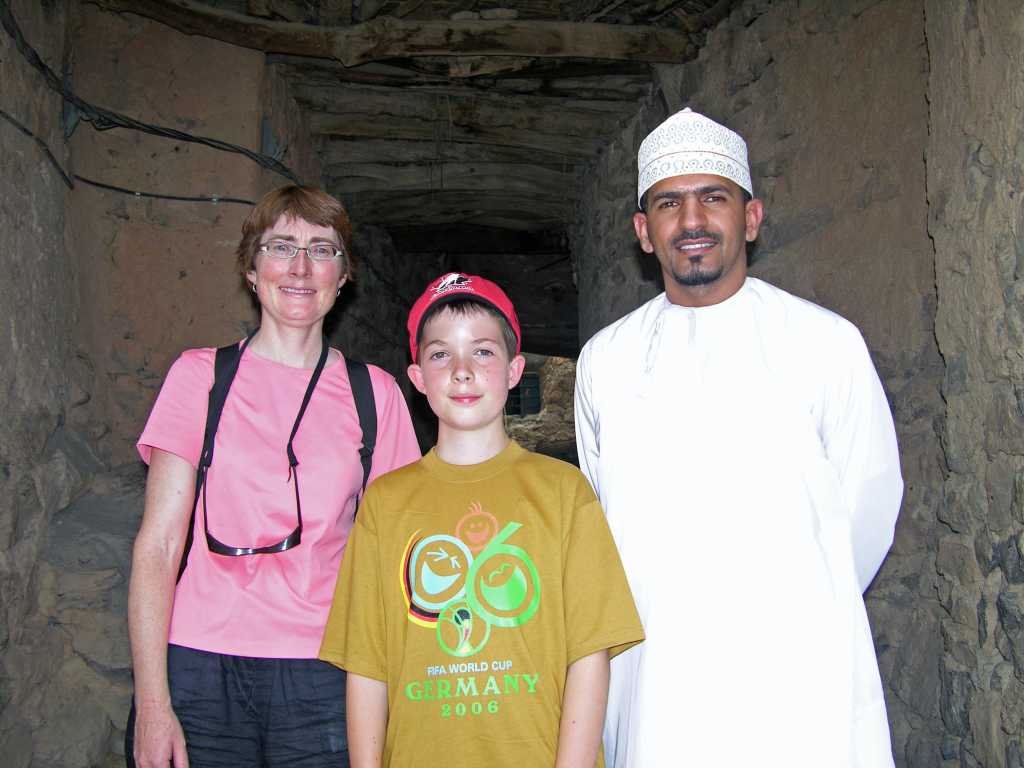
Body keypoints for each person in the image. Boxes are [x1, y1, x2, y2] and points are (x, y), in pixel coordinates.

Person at [574, 108, 904, 767]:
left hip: (798, 676)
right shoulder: (605, 361)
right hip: (657, 678)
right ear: (644, 231)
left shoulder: (826, 345)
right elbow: (600, 516)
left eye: (713, 198)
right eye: (669, 203)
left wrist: (799, 598)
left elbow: (868, 506)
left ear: (750, 217)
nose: (692, 222)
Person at [127, 185, 420, 768]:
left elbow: (398, 556)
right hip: (198, 665)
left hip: (325, 671)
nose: (301, 267)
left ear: (343, 277)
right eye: (281, 246)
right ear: (252, 267)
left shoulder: (376, 396)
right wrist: (153, 704)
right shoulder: (198, 379)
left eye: (323, 249)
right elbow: (158, 547)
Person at [319, 272, 644, 768]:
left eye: (483, 352)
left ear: (515, 370)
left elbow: (589, 657)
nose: (462, 371)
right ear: (416, 377)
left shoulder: (564, 492)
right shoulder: (385, 504)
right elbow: (367, 668)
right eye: (441, 354)